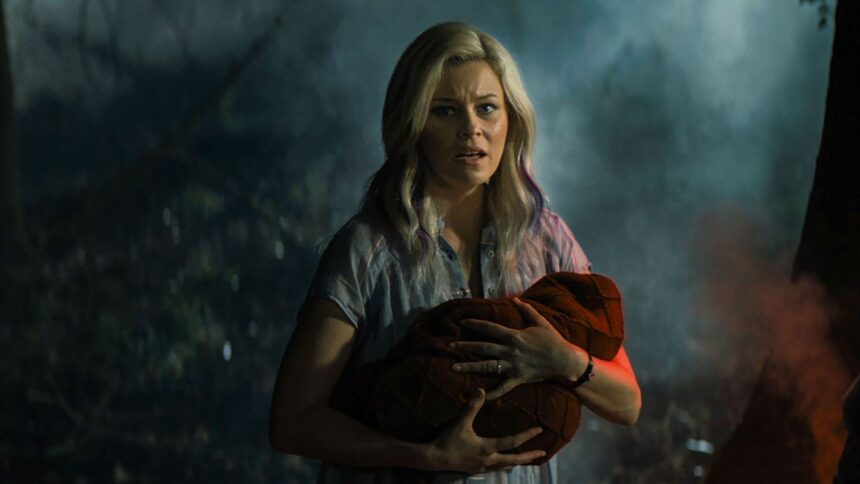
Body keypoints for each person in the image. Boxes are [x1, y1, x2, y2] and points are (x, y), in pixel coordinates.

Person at [269, 21, 641, 483]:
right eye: (445, 111)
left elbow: (627, 402)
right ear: (412, 123)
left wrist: (564, 361)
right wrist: (424, 456)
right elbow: (292, 422)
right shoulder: (367, 250)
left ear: (511, 118)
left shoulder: (546, 238)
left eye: (487, 108)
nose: (471, 128)